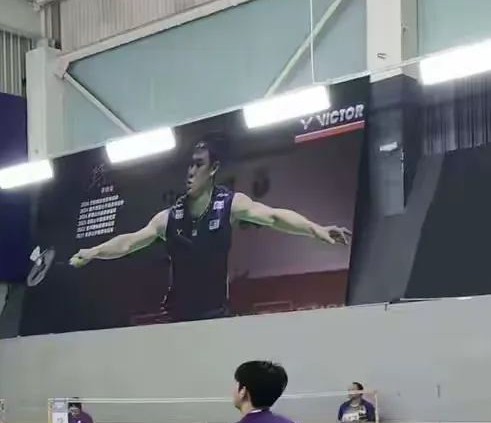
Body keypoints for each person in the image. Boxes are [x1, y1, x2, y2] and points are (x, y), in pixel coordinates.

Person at [68, 134, 350, 322]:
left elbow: (274, 217)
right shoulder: (168, 218)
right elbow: (129, 242)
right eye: (188, 166)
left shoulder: (231, 204)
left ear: (213, 168)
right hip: (178, 319)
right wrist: (94, 251)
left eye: (198, 165)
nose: (191, 173)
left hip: (216, 316)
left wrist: (315, 229)